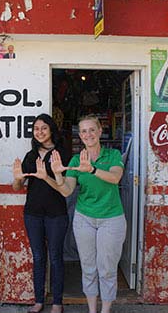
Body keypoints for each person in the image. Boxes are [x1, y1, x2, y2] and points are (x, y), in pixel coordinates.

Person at [49, 114, 126, 313]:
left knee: (107, 269)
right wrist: (58, 173)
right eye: (83, 131)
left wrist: (92, 170)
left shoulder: (112, 155)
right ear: (79, 135)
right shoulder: (76, 159)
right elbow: (66, 190)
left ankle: (105, 310)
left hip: (111, 219)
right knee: (89, 267)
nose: (88, 134)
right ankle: (92, 310)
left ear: (100, 131)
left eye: (92, 129)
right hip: (84, 219)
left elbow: (115, 177)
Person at [12, 113, 69, 313]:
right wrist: (18, 177)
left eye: (44, 128)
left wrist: (46, 177)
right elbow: (17, 186)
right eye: (36, 129)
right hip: (33, 213)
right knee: (38, 257)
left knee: (55, 257)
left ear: (51, 129)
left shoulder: (62, 153)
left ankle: (57, 303)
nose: (40, 132)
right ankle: (38, 300)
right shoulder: (31, 155)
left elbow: (65, 188)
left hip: (56, 213)